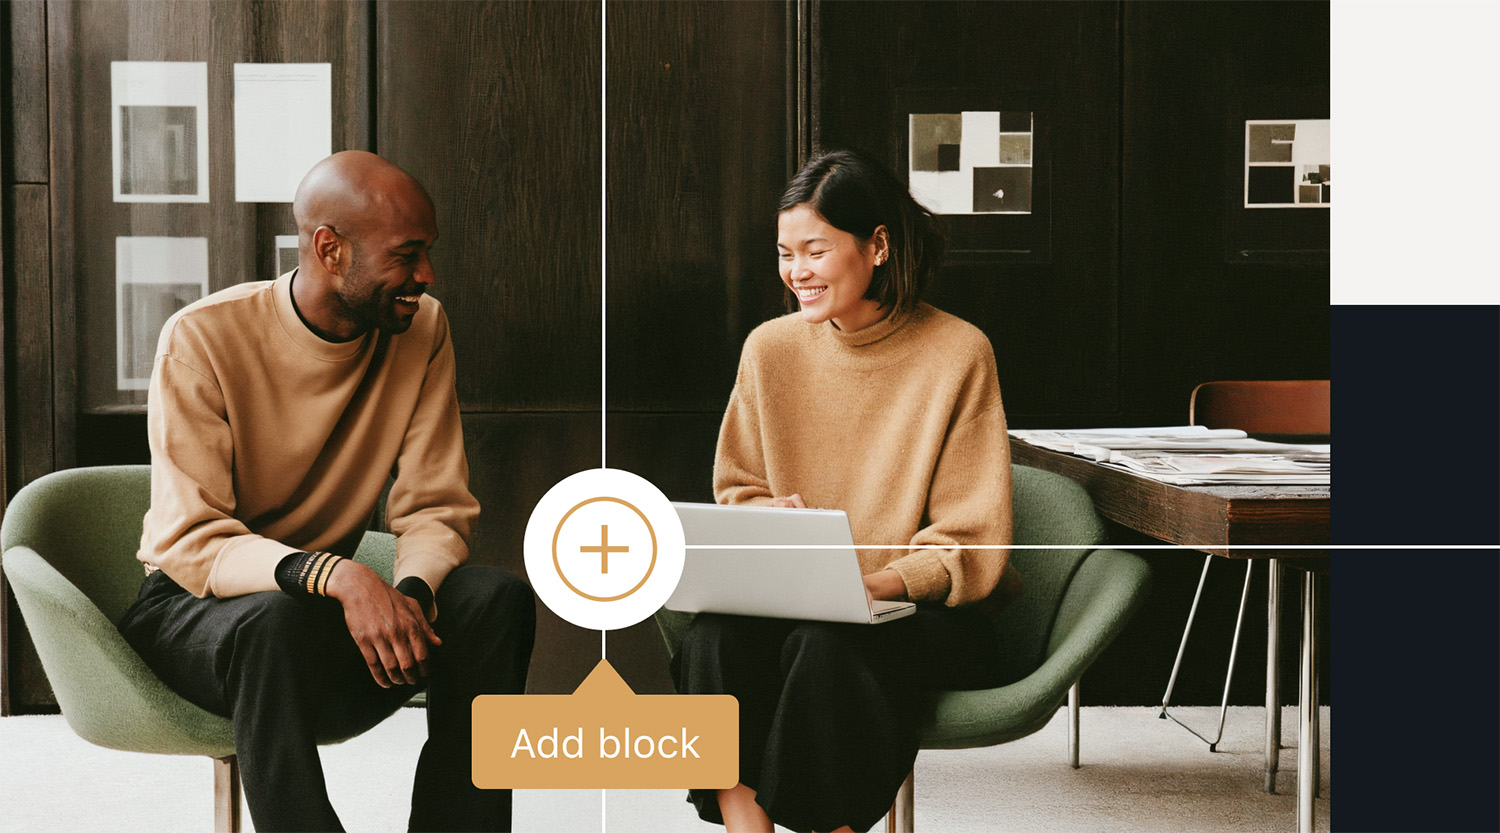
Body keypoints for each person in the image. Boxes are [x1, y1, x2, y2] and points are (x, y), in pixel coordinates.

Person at [117, 151, 536, 833]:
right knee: (271, 622)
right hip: (196, 608)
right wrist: (338, 576)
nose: (426, 275)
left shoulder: (422, 328)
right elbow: (193, 540)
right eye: (407, 255)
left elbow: (435, 504)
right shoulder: (202, 337)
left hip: (315, 611)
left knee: (495, 601)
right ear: (330, 250)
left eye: (428, 253)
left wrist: (412, 595)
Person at [675, 148, 1015, 833]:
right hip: (798, 603)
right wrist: (766, 515)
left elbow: (970, 541)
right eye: (785, 253)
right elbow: (738, 487)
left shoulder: (958, 352)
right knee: (713, 638)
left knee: (828, 646)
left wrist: (872, 585)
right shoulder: (770, 349)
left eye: (816, 250)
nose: (796, 271)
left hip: (920, 613)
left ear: (878, 246)